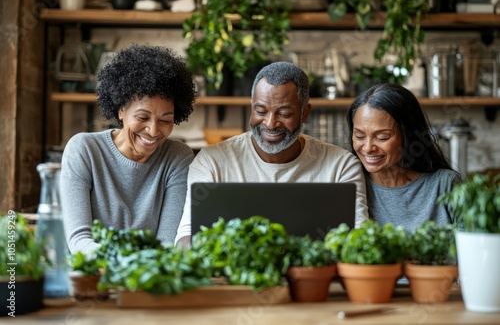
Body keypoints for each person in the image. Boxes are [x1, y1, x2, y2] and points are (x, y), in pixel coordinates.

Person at [175, 61, 368, 246]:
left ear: (305, 113)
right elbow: (186, 238)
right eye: (260, 111)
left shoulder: (341, 165)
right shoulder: (212, 161)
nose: (270, 123)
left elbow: (359, 239)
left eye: (284, 114)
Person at [60, 44, 196, 255]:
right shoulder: (84, 150)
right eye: (142, 117)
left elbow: (167, 245)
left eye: (165, 120)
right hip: (92, 277)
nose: (153, 130)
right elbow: (79, 240)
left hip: (147, 282)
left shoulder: (177, 158)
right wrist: (127, 264)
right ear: (121, 109)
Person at [346, 83, 462, 233]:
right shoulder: (350, 184)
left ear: (408, 136)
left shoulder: (445, 185)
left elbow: (478, 248)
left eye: (382, 137)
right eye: (359, 136)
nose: (368, 148)